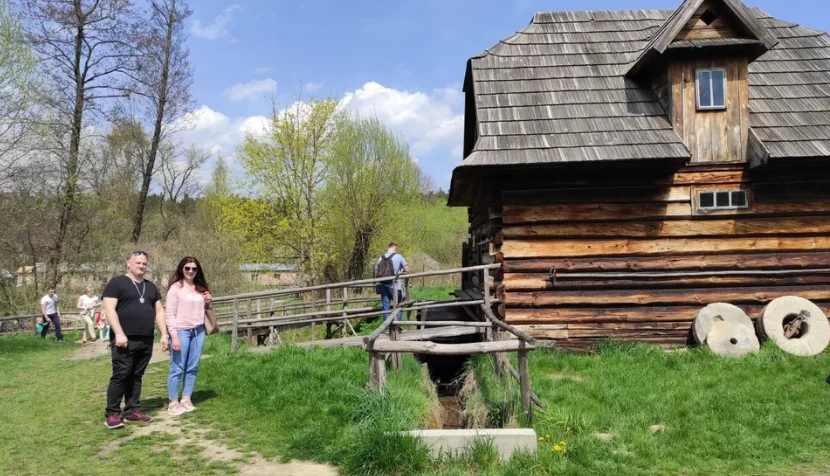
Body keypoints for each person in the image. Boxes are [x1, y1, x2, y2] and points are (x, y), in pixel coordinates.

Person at [102, 250, 167, 430]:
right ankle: (112, 414)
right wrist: (119, 333)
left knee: (137, 375)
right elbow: (109, 309)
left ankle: (132, 410)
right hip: (124, 339)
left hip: (145, 338)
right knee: (121, 374)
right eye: (138, 263)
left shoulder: (151, 286)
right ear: (128, 263)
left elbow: (159, 311)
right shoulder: (117, 283)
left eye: (144, 263)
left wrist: (164, 334)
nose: (141, 266)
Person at [165, 257, 213, 417]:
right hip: (181, 331)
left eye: (194, 268)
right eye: (187, 268)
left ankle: (186, 398)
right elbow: (170, 314)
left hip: (198, 331)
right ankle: (173, 402)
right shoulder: (175, 288)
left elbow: (204, 310)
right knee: (177, 367)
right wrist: (174, 336)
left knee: (193, 366)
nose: (190, 271)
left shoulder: (200, 288)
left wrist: (207, 302)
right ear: (181, 269)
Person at [374, 243, 409, 320]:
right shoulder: (398, 256)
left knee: (386, 308)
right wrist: (401, 271)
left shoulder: (380, 258)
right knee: (398, 306)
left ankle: (386, 327)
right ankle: (397, 326)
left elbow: (376, 272)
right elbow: (407, 270)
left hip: (383, 286)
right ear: (394, 249)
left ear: (388, 248)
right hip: (396, 286)